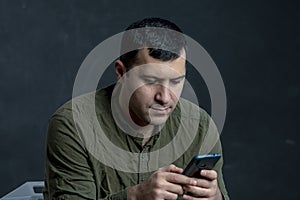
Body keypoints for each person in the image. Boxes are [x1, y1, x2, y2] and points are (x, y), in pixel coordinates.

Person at [43, 17, 230, 200]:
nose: (165, 98)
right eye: (150, 81)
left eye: (175, 81)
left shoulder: (200, 126)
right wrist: (135, 197)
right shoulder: (73, 125)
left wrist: (214, 197)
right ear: (121, 72)